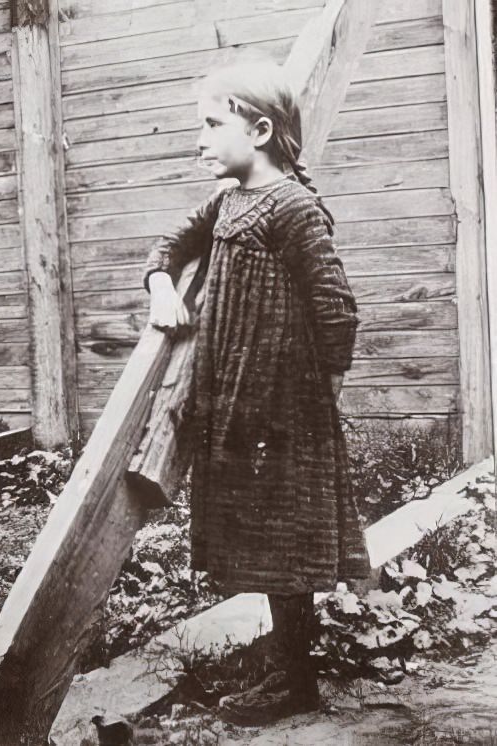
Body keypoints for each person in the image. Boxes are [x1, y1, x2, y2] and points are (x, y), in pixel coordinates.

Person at [143, 60, 370, 724]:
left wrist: (310, 398)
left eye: (214, 124)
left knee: (287, 541)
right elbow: (171, 244)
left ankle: (295, 681)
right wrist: (161, 284)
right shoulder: (226, 202)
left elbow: (337, 309)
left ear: (262, 130)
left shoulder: (294, 207)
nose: (200, 140)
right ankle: (287, 668)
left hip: (285, 412)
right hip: (237, 406)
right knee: (264, 538)